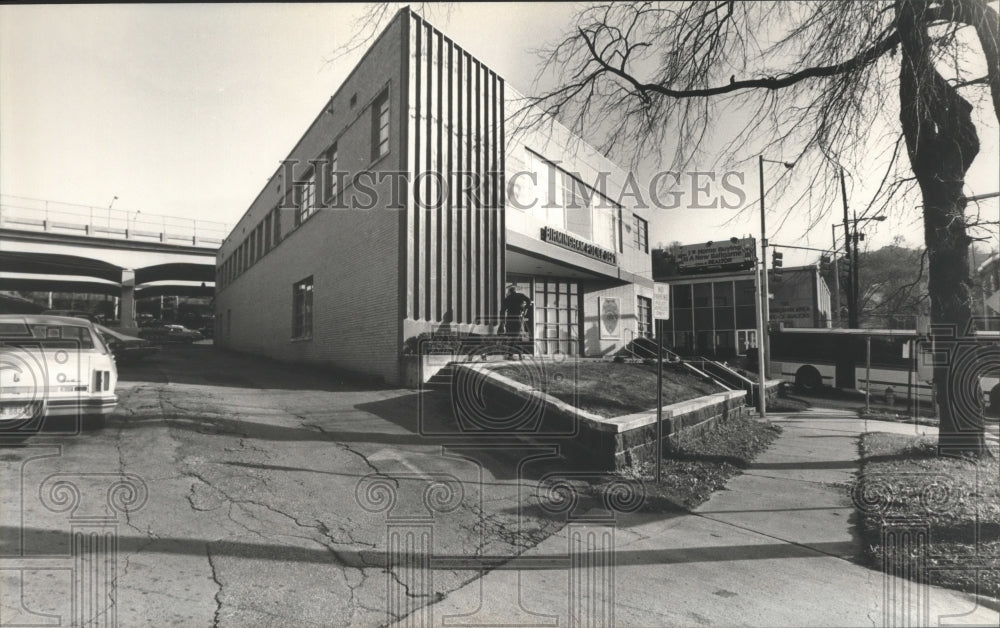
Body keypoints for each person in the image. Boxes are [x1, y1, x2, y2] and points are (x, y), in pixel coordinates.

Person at [499, 285, 532, 358]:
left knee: (512, 337)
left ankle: (512, 354)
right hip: (517, 318)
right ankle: (518, 354)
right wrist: (525, 309)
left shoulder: (507, 298)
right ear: (515, 290)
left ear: (510, 291)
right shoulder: (520, 295)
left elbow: (502, 311)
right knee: (516, 337)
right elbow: (529, 301)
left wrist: (503, 321)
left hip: (509, 319)